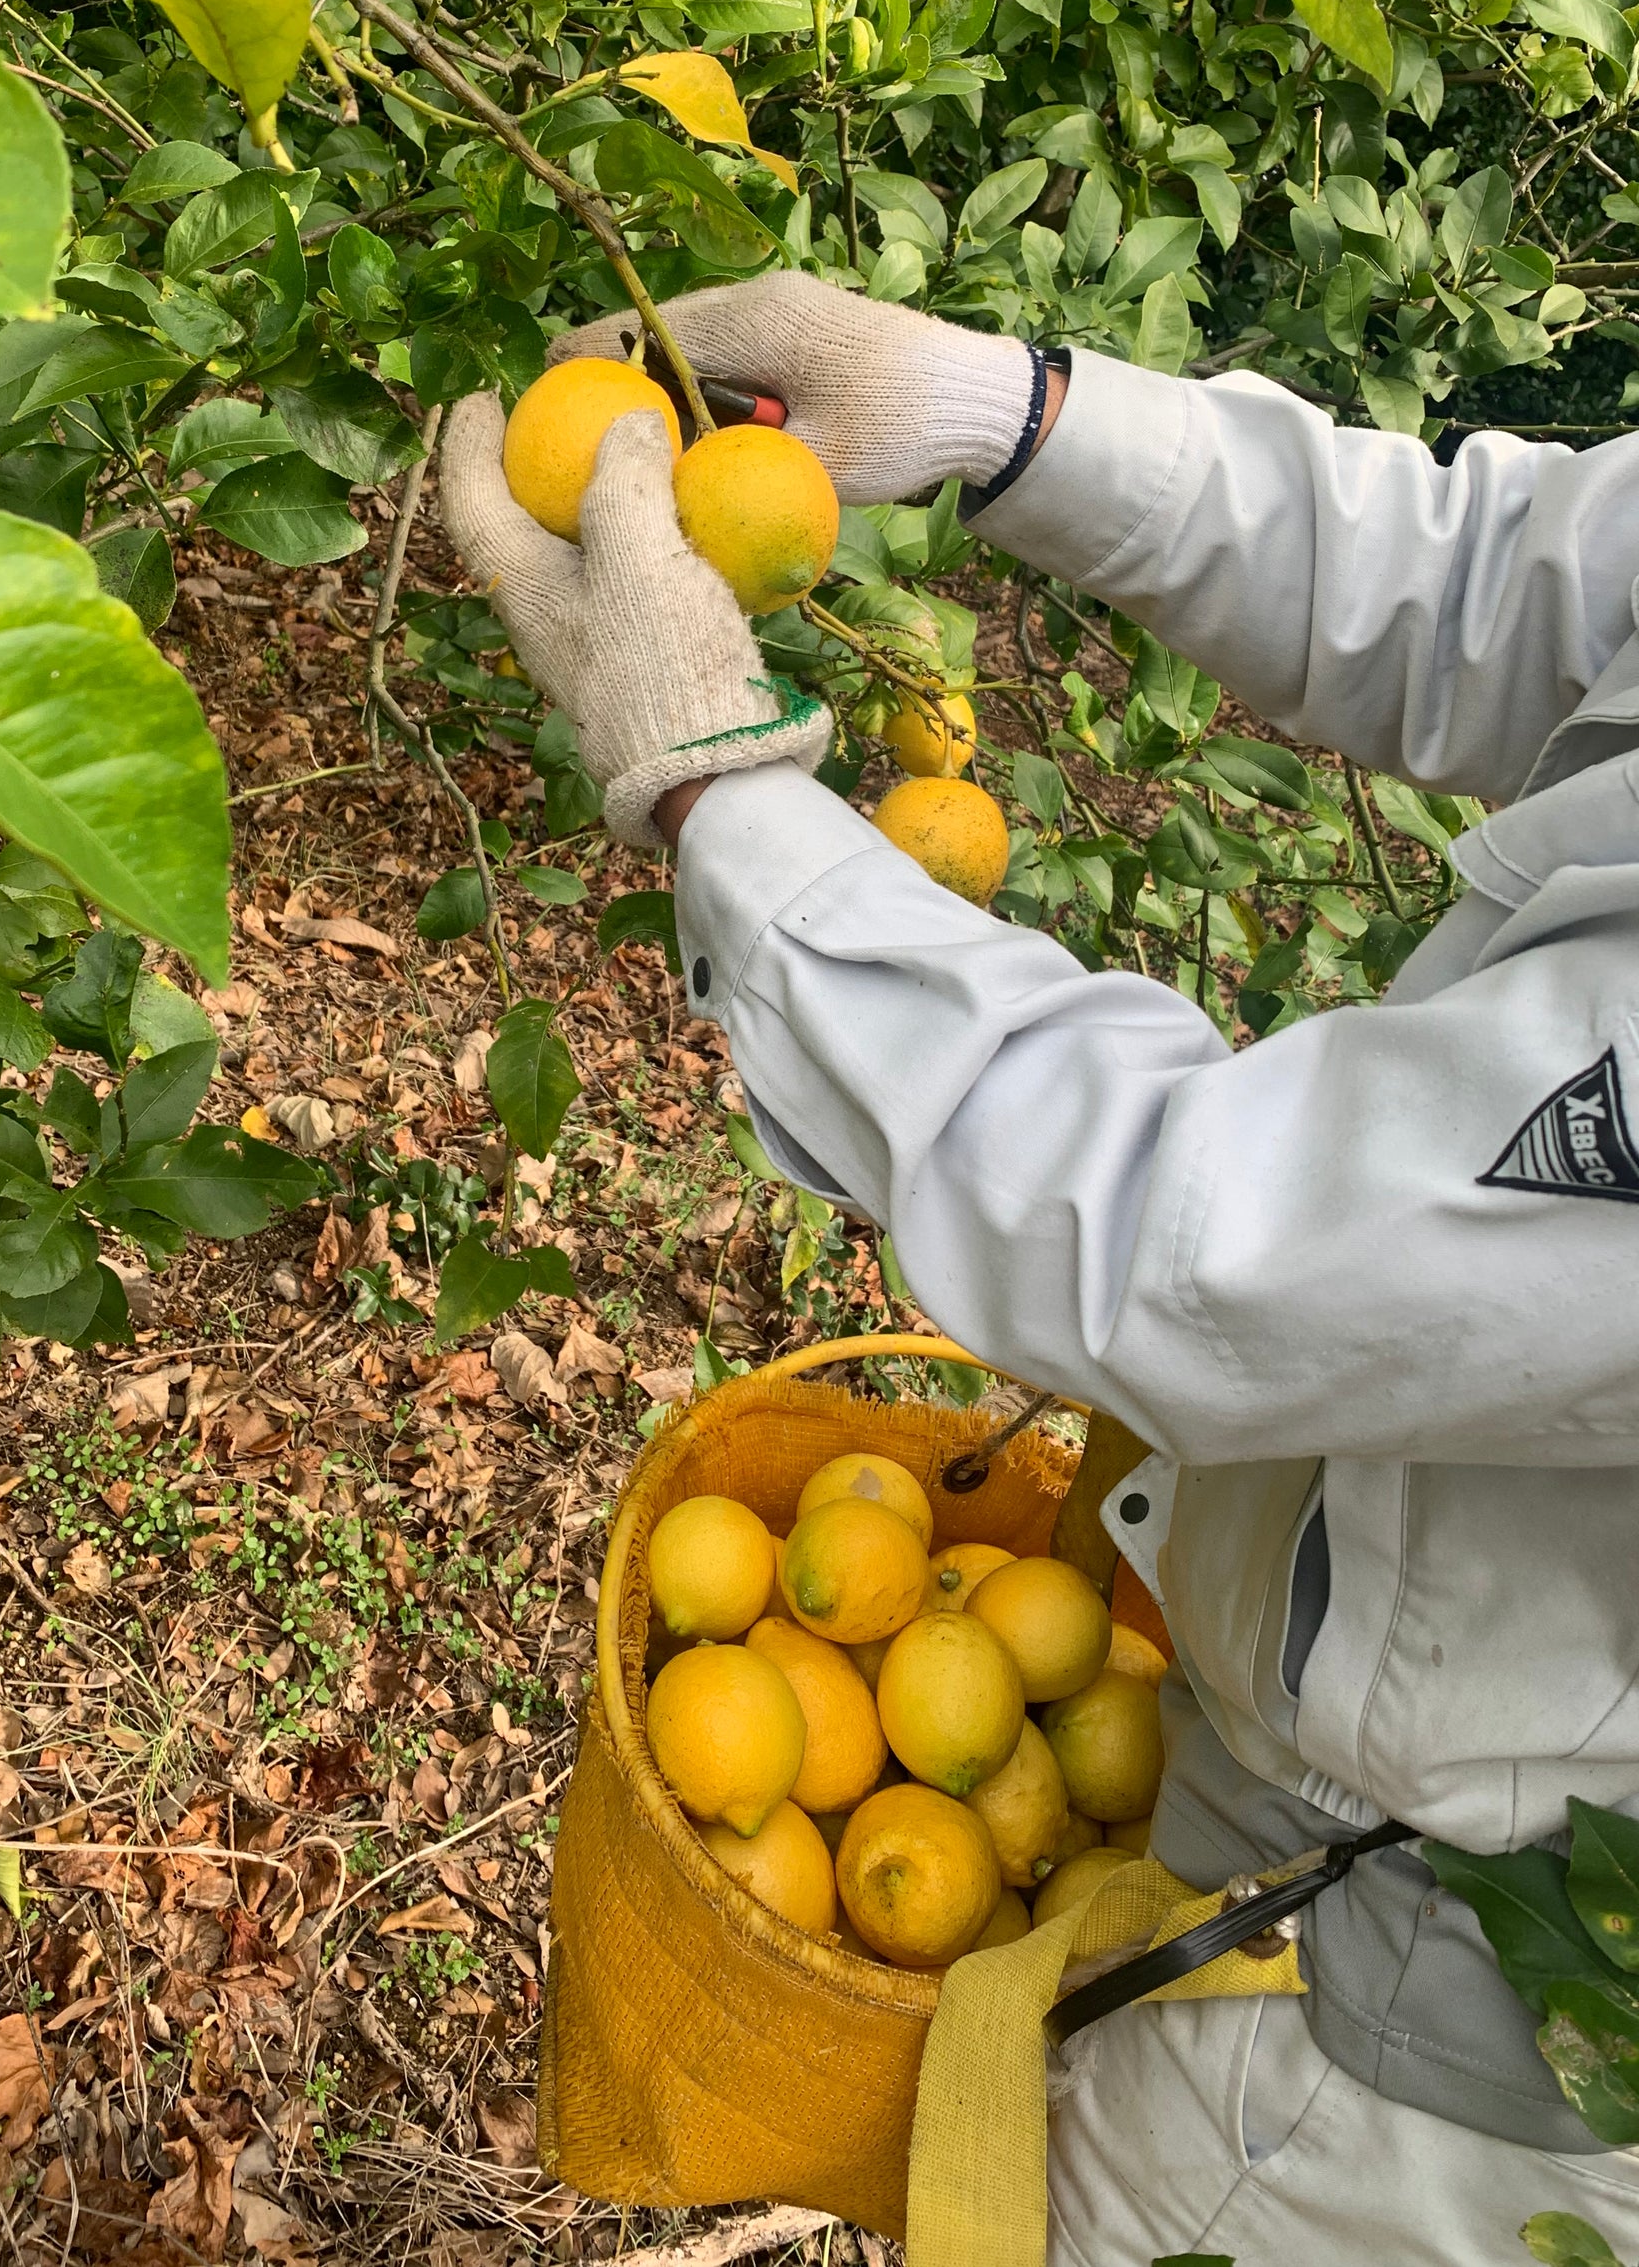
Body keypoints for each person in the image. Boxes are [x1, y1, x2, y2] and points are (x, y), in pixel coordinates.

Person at [439, 274, 1639, 2266]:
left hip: (1416, 2075)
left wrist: (724, 803)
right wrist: (1015, 417)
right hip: (1269, 1857)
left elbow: (1206, 1249)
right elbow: (1517, 580)